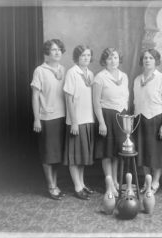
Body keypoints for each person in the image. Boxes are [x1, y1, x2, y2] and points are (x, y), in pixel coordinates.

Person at [31, 39, 66, 200]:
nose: (57, 52)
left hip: (62, 117)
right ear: (47, 53)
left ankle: (55, 183)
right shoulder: (40, 70)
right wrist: (37, 119)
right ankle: (51, 186)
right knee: (47, 153)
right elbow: (35, 96)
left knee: (56, 154)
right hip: (46, 118)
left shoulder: (63, 69)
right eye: (53, 50)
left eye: (59, 49)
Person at [134, 49, 162, 194]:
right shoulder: (137, 79)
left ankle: (155, 182)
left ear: (156, 60)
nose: (147, 60)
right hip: (140, 120)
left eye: (150, 58)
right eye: (145, 58)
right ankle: (147, 181)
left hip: (156, 119)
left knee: (156, 153)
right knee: (143, 152)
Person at [93, 47, 129, 196]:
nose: (113, 61)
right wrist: (101, 122)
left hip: (121, 117)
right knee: (107, 152)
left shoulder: (124, 76)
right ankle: (109, 184)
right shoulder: (100, 77)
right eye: (109, 58)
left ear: (119, 59)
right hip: (106, 116)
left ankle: (115, 181)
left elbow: (126, 98)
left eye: (115, 57)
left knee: (116, 151)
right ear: (104, 61)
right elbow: (96, 102)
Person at [63, 45, 95, 200]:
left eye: (88, 55)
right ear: (77, 57)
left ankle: (82, 184)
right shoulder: (72, 72)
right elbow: (68, 99)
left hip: (88, 119)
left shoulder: (90, 73)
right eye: (83, 55)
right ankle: (77, 186)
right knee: (74, 156)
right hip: (76, 121)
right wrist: (74, 122)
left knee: (82, 155)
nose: (86, 58)